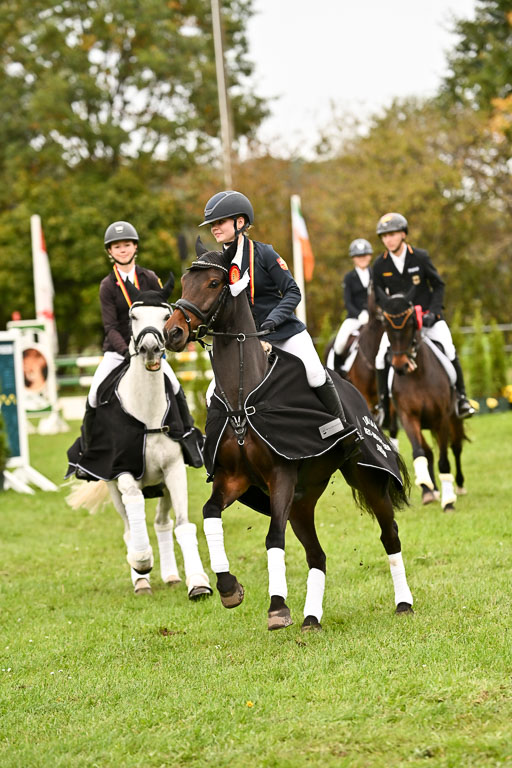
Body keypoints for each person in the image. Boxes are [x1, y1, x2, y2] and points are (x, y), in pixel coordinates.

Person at [199, 190, 356, 439]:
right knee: (211, 395)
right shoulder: (218, 263)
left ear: (240, 222)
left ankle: (343, 430)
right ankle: (217, 451)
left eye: (219, 222)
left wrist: (272, 322)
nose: (214, 229)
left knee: (315, 373)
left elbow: (292, 292)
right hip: (244, 340)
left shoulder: (264, 253)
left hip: (282, 331)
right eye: (212, 225)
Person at [76, 221, 194, 470]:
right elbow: (110, 326)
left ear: (135, 247)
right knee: (95, 393)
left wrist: (158, 346)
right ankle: (88, 450)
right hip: (118, 351)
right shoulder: (108, 285)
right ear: (110, 251)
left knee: (174, 385)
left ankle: (189, 437)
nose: (122, 250)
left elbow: (163, 311)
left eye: (126, 245)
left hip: (152, 348)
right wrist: (128, 353)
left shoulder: (149, 277)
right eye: (117, 246)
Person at [372, 211, 474, 426]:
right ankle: (383, 407)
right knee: (381, 356)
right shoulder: (379, 265)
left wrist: (434, 312)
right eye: (384, 236)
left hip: (428, 317)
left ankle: (462, 399)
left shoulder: (420, 257)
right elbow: (378, 295)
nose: (388, 239)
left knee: (448, 346)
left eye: (392, 234)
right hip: (400, 325)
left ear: (403, 234)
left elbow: (438, 285)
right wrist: (388, 314)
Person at [332, 238, 373, 371]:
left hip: (374, 318)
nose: (362, 258)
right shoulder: (349, 277)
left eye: (364, 255)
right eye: (358, 256)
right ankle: (337, 371)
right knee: (340, 343)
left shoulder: (375, 275)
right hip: (354, 318)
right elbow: (347, 301)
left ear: (370, 256)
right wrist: (359, 314)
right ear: (353, 258)